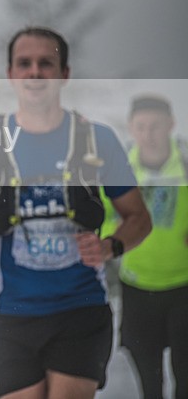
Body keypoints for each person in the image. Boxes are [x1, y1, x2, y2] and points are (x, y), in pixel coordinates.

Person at [0, 27, 152, 399]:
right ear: (11, 74)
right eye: (24, 63)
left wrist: (110, 247)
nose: (35, 72)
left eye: (46, 63)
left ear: (64, 74)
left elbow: (139, 217)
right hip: (12, 314)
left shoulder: (98, 140)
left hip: (81, 309)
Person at [101, 94, 188, 399]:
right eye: (142, 127)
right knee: (150, 386)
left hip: (183, 286)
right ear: (131, 129)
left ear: (171, 125)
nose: (149, 134)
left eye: (156, 126)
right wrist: (127, 232)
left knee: (185, 379)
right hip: (137, 286)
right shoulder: (117, 171)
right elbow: (102, 218)